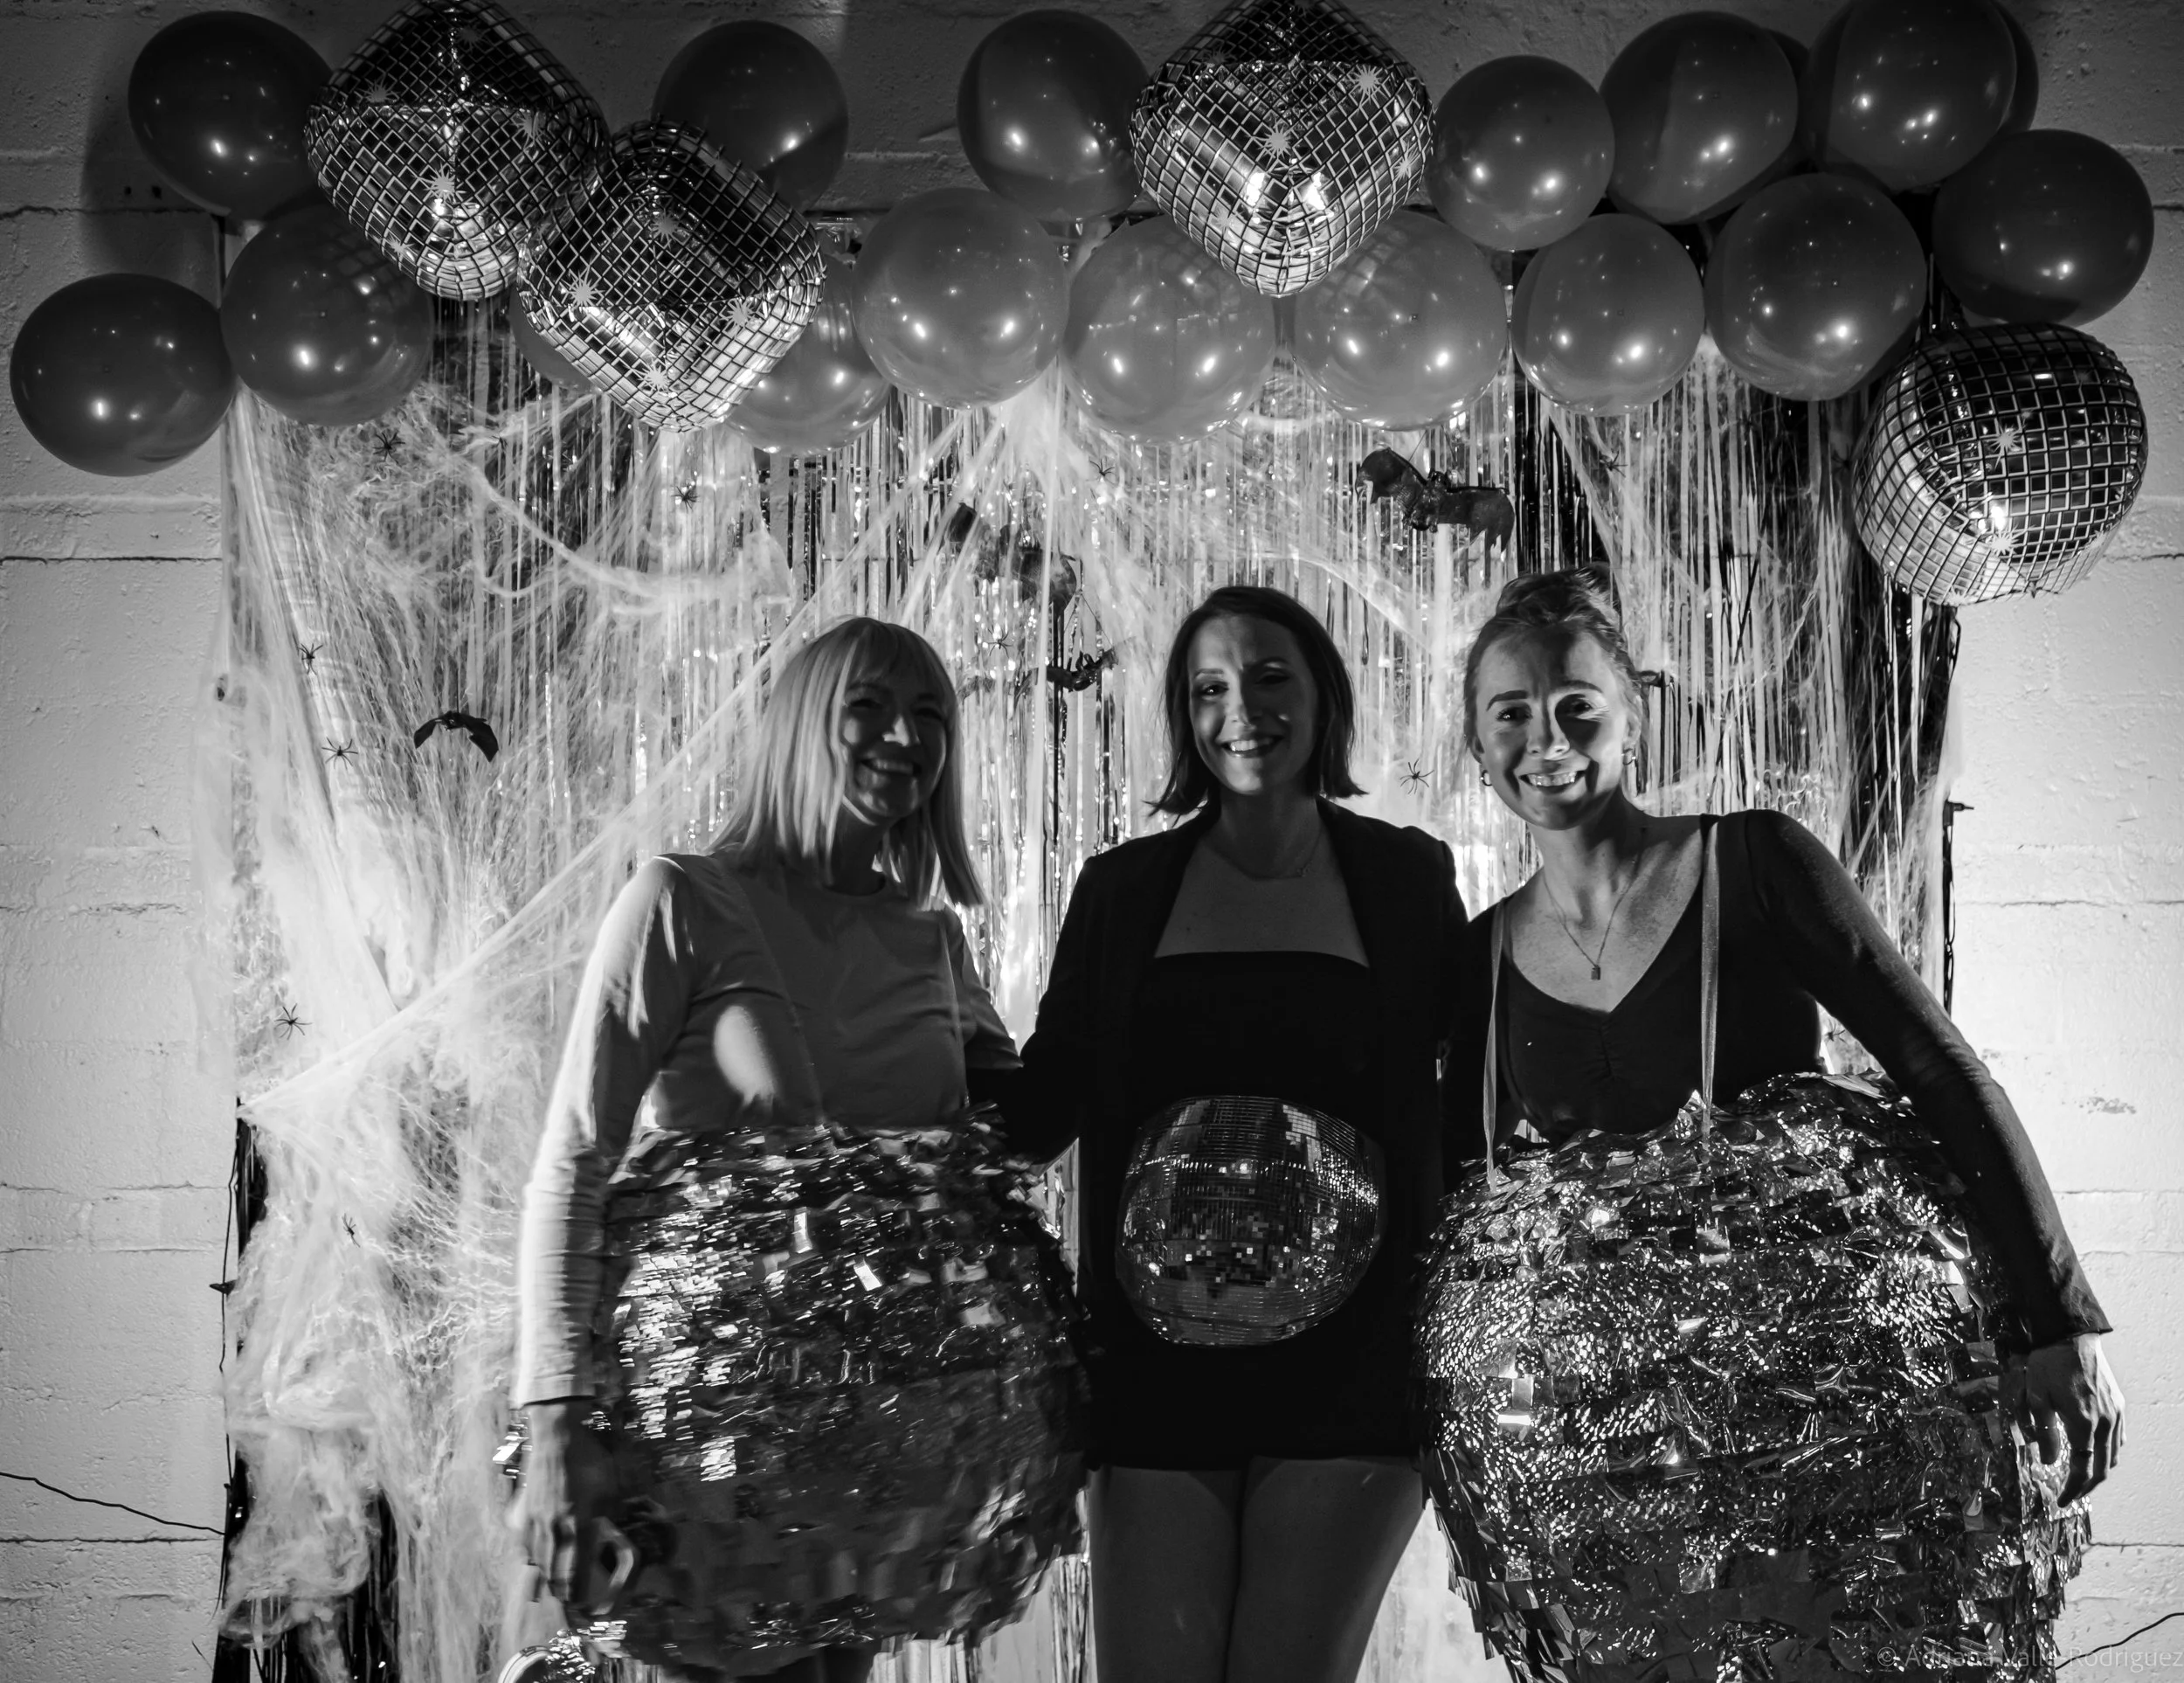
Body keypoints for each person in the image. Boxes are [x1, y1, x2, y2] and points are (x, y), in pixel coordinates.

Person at [1446, 564, 2123, 1496]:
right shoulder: (1479, 956)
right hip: (1619, 1433)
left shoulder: (1753, 861)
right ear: (1478, 746)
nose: (1547, 740)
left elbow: (1939, 1069)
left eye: (1577, 707)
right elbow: (1460, 1199)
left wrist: (2059, 1322)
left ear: (1632, 721)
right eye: (1511, 714)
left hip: (1823, 1395)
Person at [507, 617, 1035, 1683]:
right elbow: (574, 1161)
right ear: (798, 723)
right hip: (703, 1440)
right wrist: (554, 1422)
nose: (906, 737)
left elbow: (1014, 1136)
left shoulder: (932, 939)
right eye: (869, 708)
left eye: (929, 715)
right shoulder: (683, 899)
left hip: (877, 1436)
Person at [979, 585, 1469, 1683]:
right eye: (1209, 688)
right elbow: (1048, 1102)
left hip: (1351, 1369)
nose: (1240, 710)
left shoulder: (1405, 877)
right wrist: (924, 1042)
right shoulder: (1120, 891)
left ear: (1323, 696)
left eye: (1268, 677)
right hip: (1155, 1370)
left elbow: (1466, 1100)